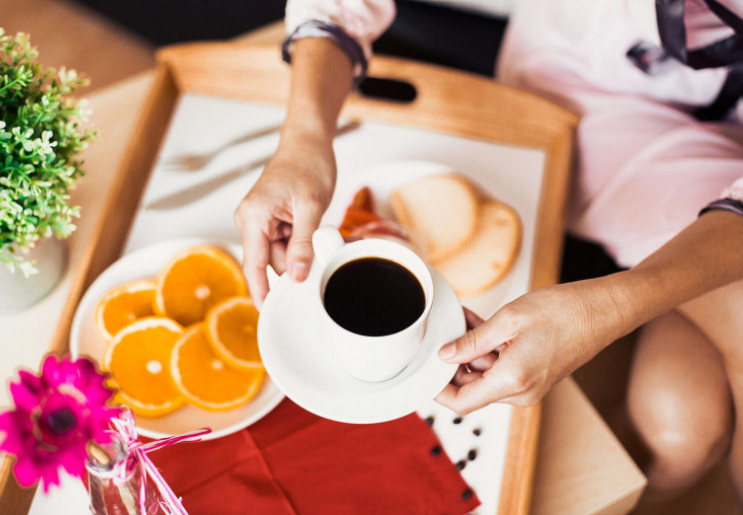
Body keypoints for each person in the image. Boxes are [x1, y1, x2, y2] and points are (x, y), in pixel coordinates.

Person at [234, 0, 743, 502]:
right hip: (584, 78)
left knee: (679, 420)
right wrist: (303, 140)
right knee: (681, 429)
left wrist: (607, 312)